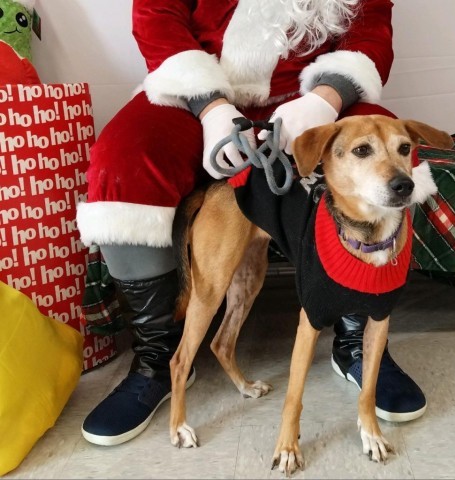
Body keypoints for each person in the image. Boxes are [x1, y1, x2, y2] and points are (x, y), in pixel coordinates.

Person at [76, 0, 426, 446]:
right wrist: (210, 106)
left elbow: (371, 28)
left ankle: (356, 338)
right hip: (194, 89)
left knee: (388, 148)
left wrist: (326, 98)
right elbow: (156, 15)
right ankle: (155, 356)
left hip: (310, 96)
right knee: (122, 160)